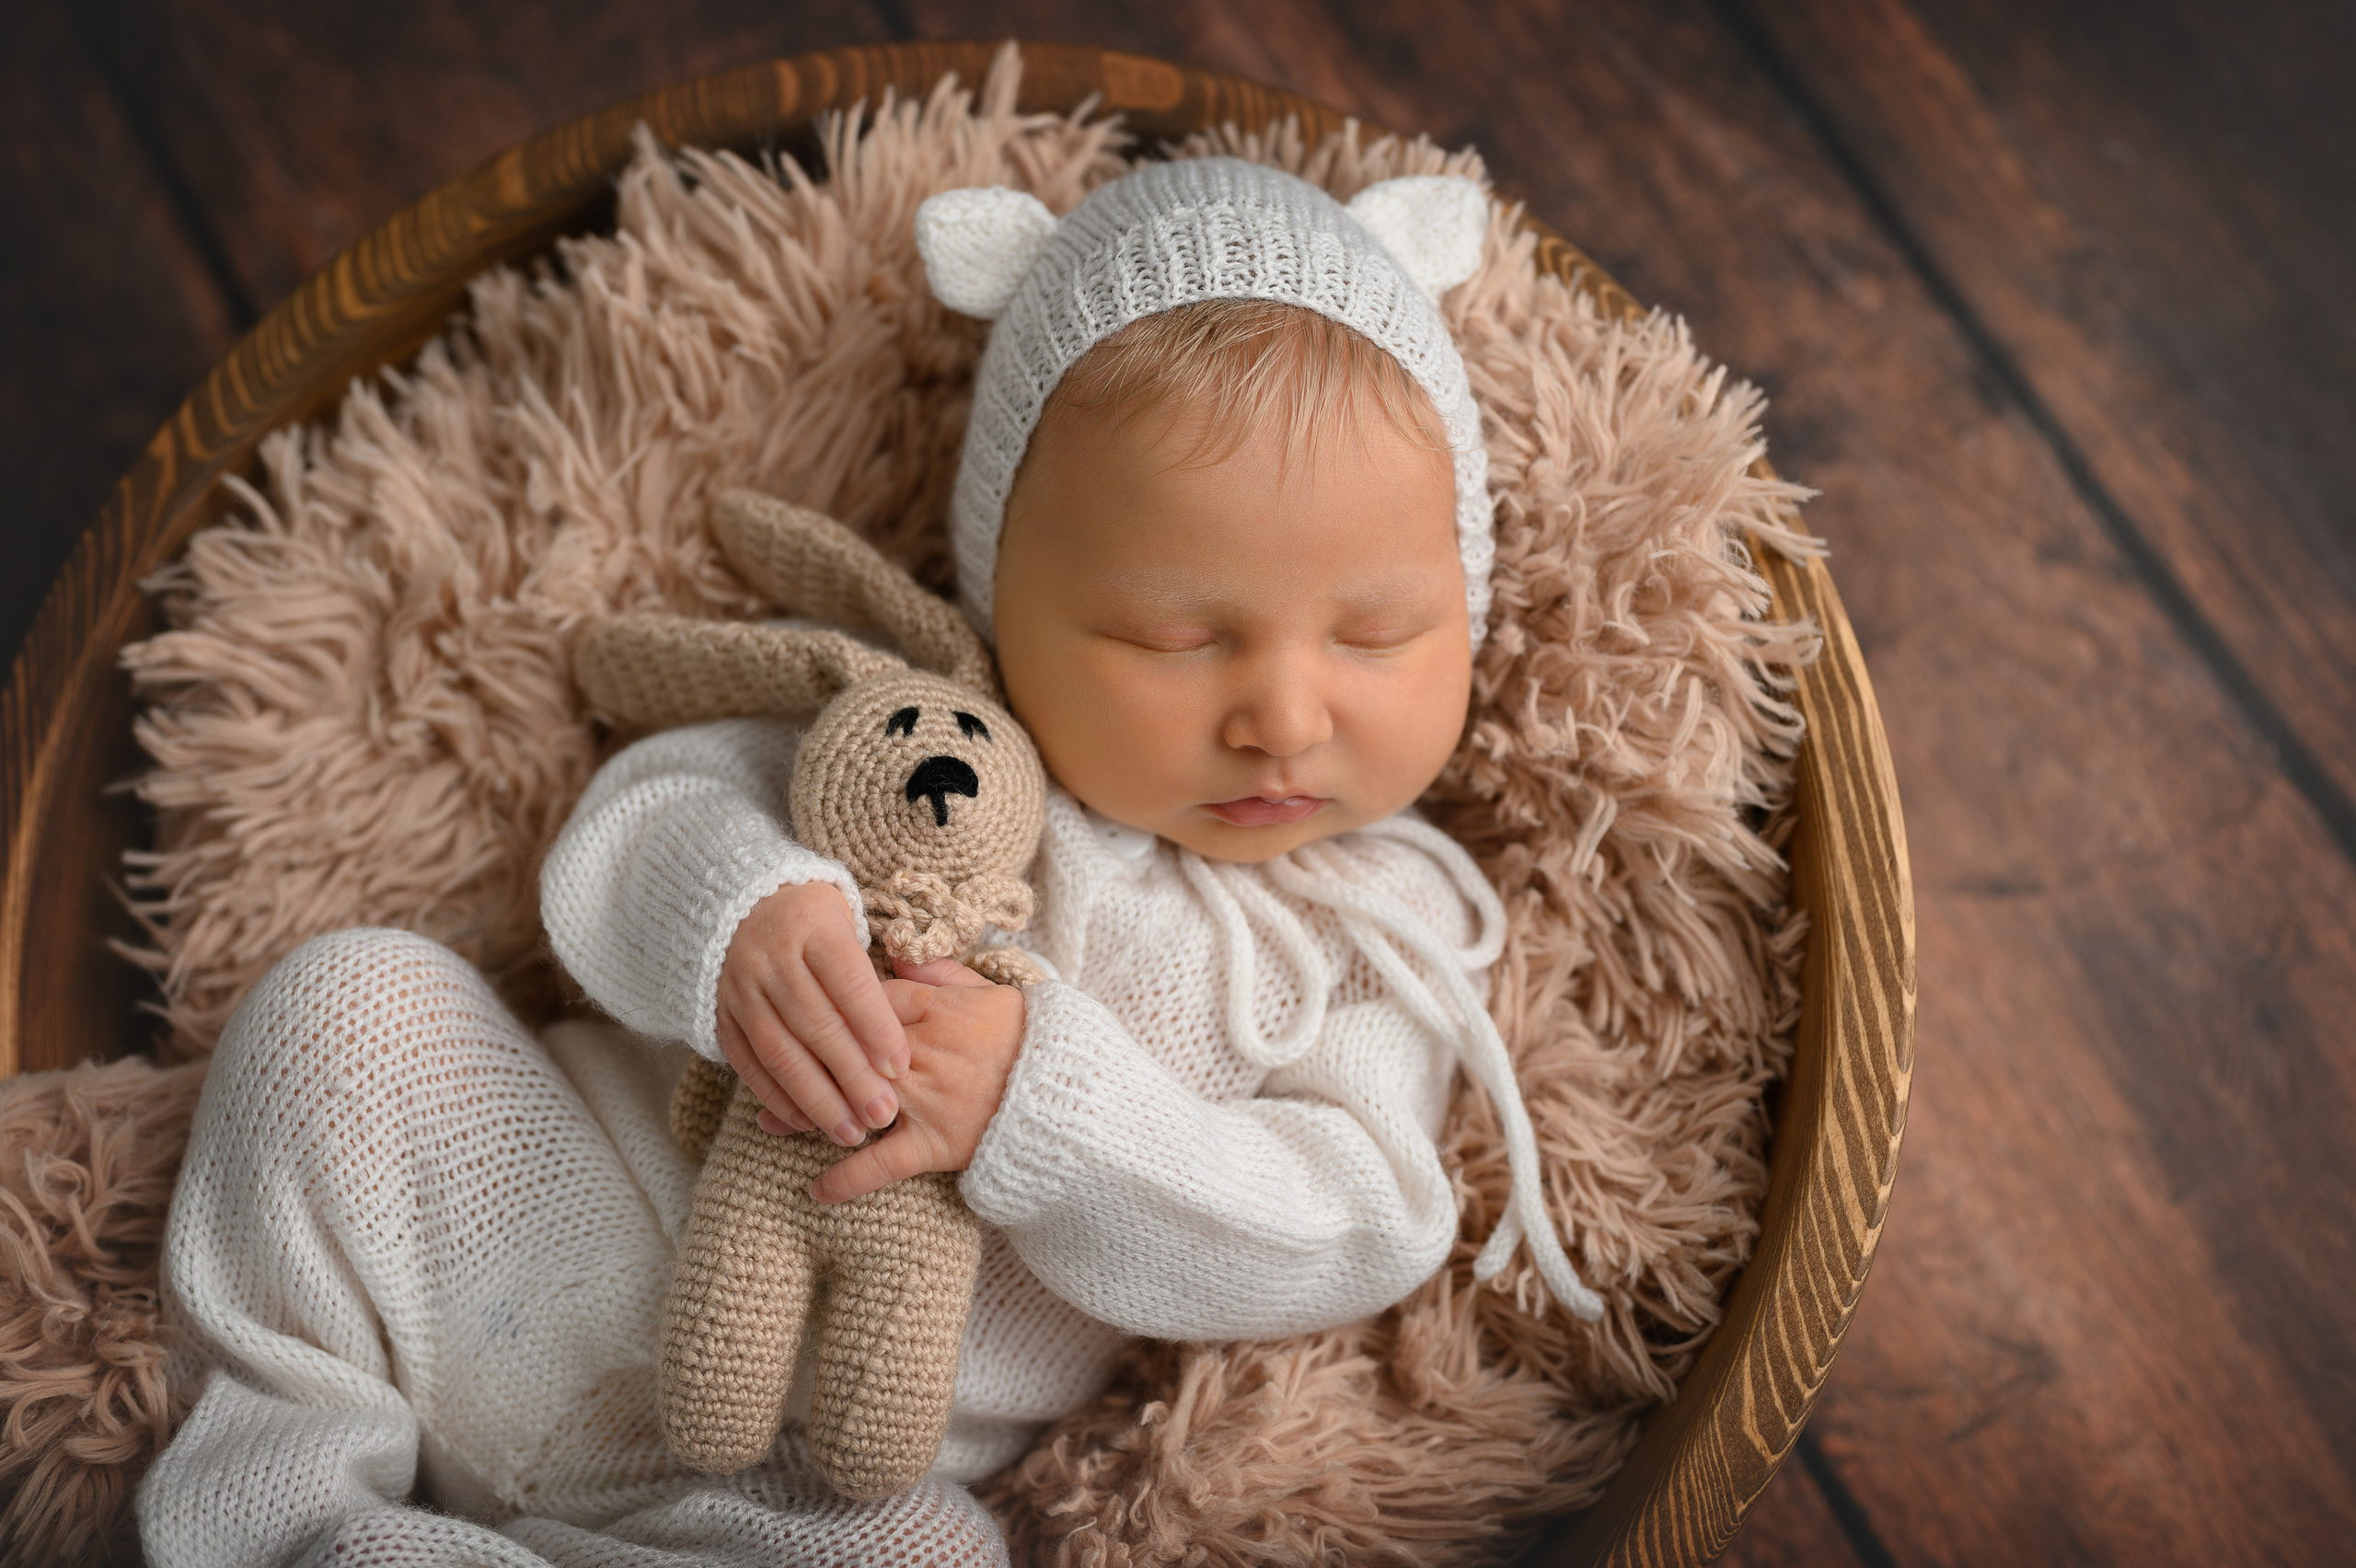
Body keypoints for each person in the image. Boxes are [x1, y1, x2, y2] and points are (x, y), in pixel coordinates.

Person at [137, 156, 1596, 1568]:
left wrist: (1050, 1106)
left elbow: (1354, 1222)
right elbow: (649, 810)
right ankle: (284, 1504)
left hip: (811, 1472)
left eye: (1375, 636)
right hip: (549, 1212)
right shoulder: (935, 733)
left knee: (926, 1560)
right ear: (1002, 595)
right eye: (1175, 637)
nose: (1283, 712)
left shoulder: (1378, 924)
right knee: (348, 1008)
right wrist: (745, 917)